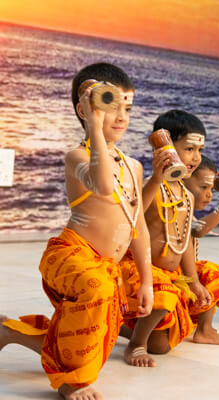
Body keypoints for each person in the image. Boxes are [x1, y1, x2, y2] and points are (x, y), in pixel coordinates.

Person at [1, 63, 153, 400]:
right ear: (84, 110)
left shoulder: (134, 166)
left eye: (127, 108)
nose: (121, 116)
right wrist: (95, 128)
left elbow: (138, 225)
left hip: (105, 265)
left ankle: (9, 332)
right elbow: (102, 185)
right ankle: (70, 380)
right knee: (98, 289)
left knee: (87, 339)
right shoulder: (76, 157)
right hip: (71, 256)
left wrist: (145, 281)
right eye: (110, 106)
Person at [119, 110, 219, 368]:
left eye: (200, 150)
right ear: (164, 147)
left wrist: (194, 281)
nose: (196, 157)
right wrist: (156, 178)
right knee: (161, 320)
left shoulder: (186, 194)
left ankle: (203, 330)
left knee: (212, 278)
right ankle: (135, 343)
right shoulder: (152, 185)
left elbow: (185, 241)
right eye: (189, 149)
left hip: (173, 275)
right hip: (143, 273)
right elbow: (134, 216)